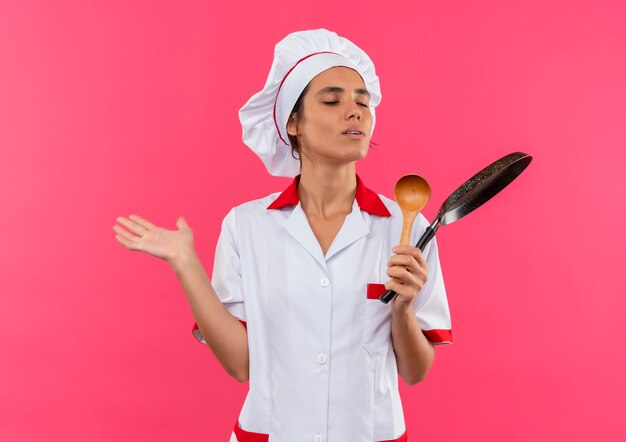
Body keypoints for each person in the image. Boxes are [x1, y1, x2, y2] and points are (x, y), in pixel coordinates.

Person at [113, 29, 452, 442]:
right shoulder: (247, 225)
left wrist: (403, 308)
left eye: (363, 100)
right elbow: (241, 365)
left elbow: (415, 373)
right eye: (332, 100)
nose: (356, 111)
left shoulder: (408, 226)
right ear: (294, 123)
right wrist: (185, 262)